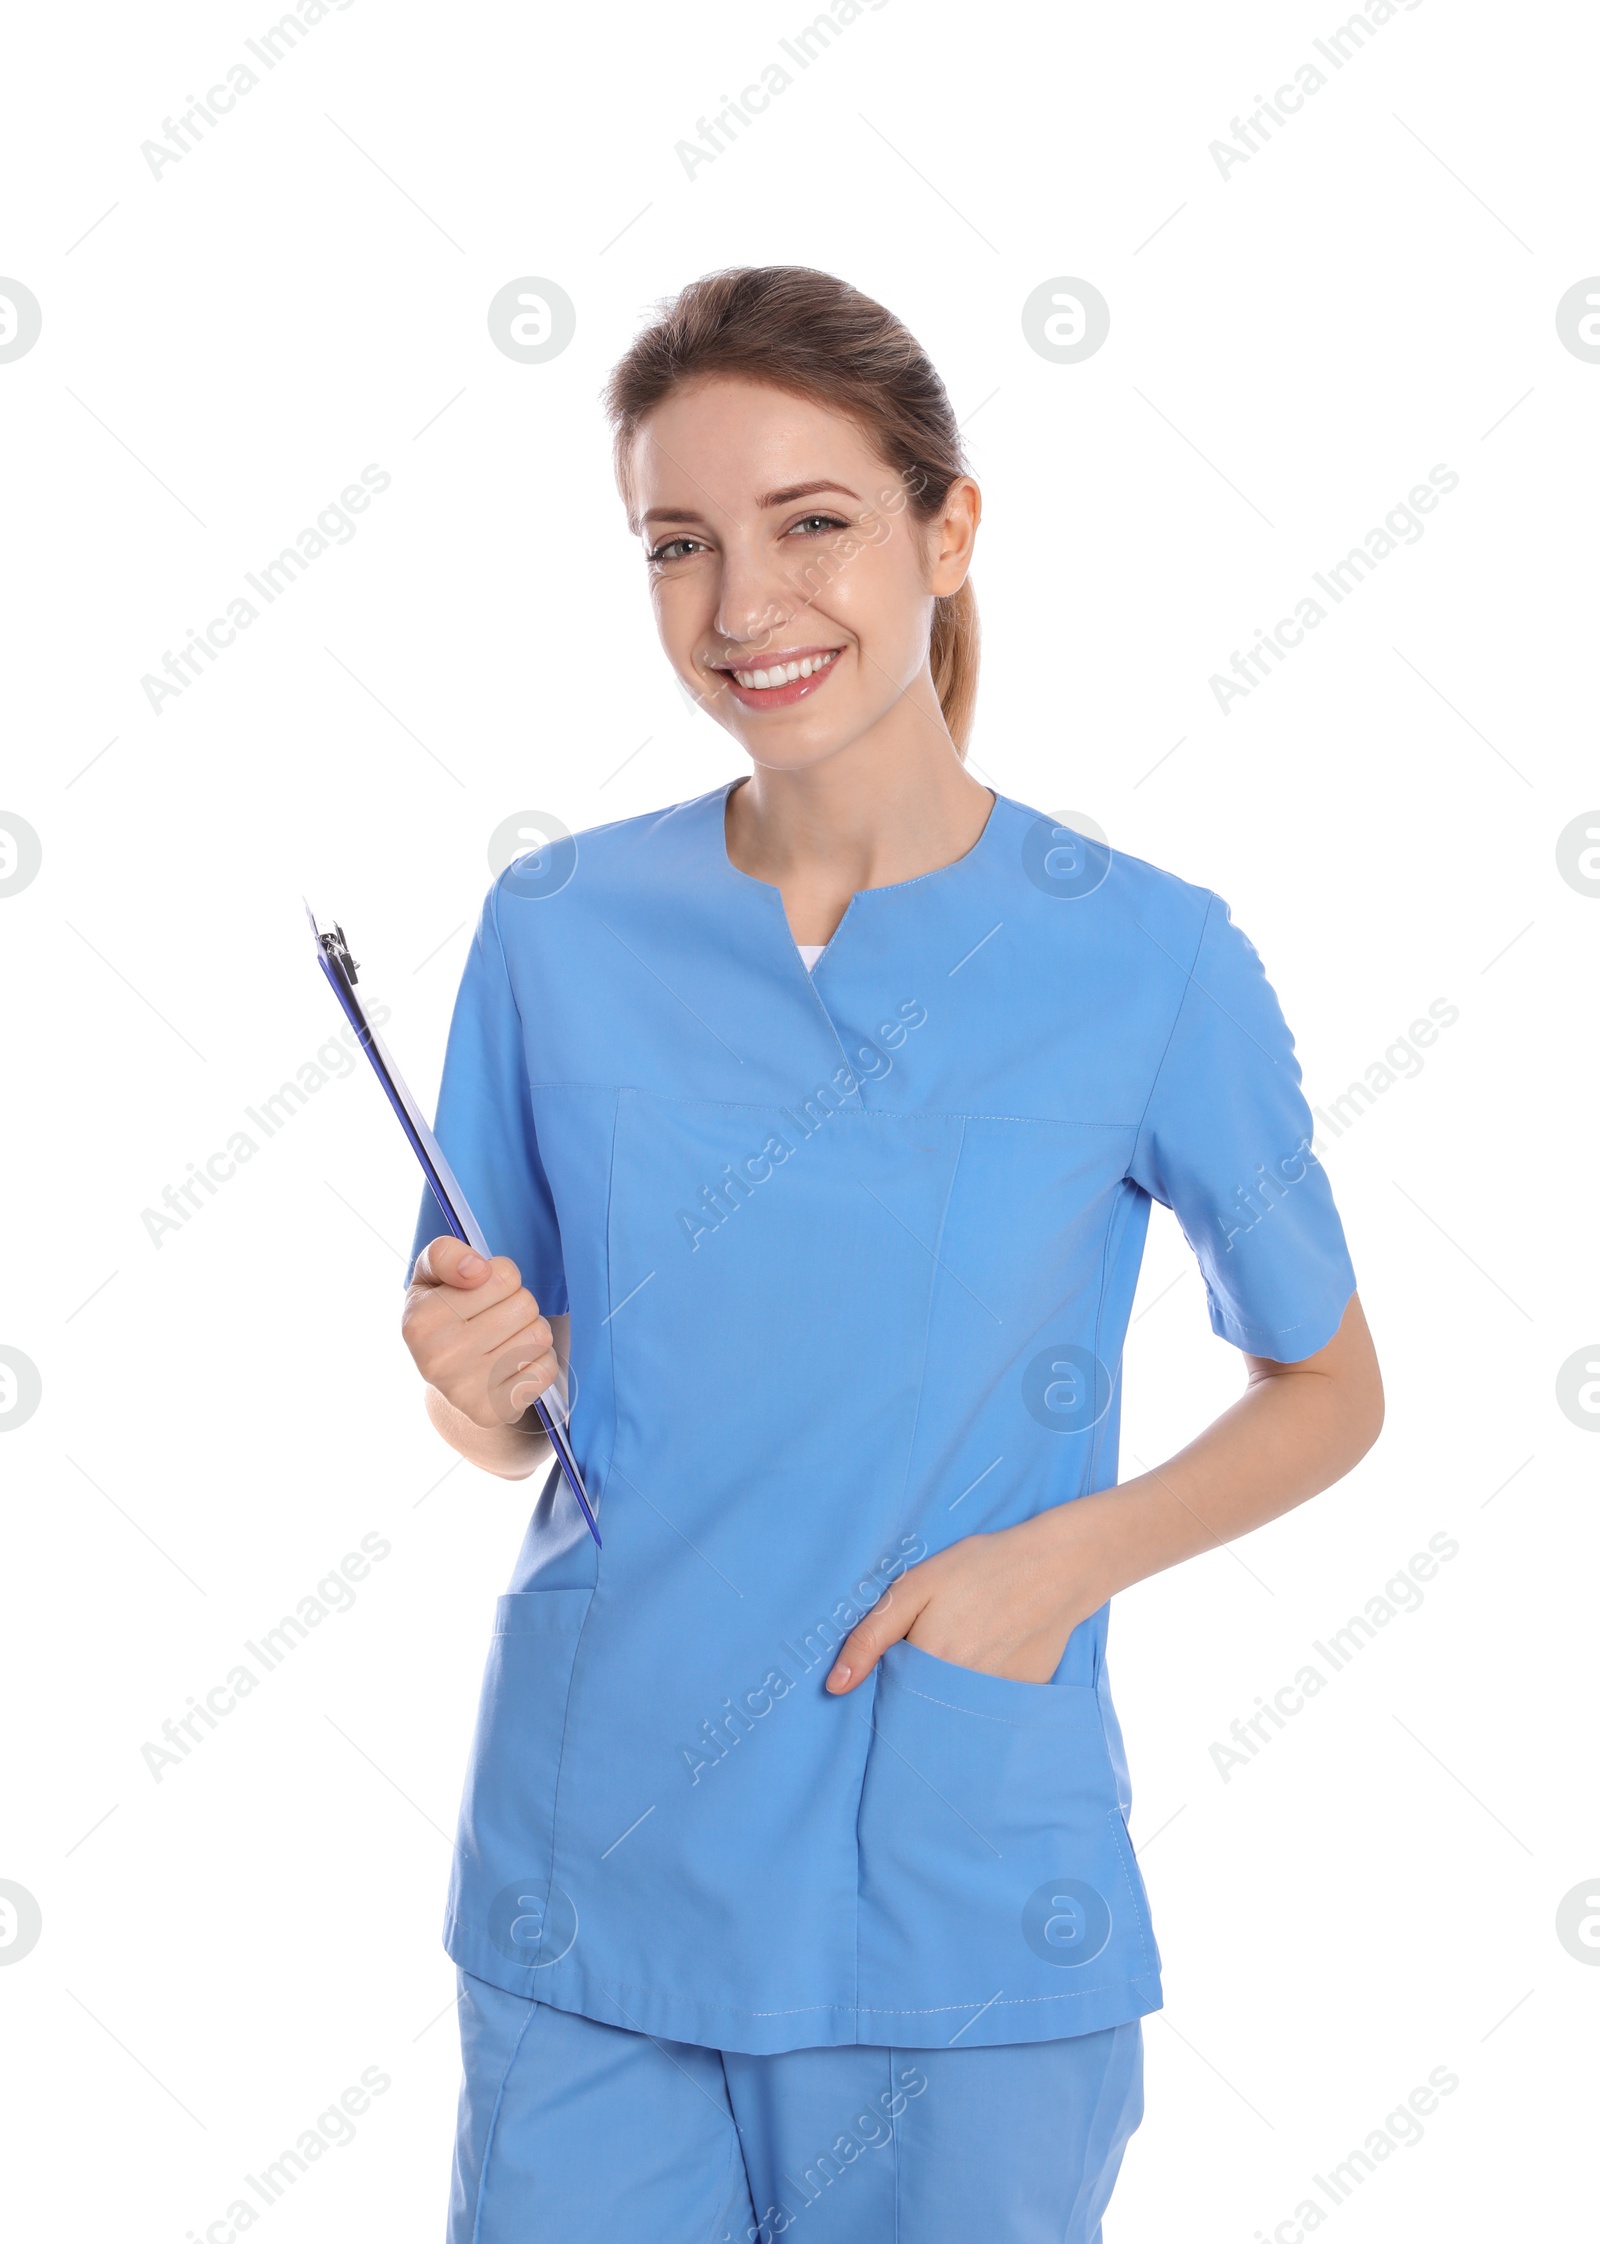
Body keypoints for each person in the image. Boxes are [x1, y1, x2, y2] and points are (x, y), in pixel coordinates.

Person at [400, 266, 1383, 2243]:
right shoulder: (557, 937)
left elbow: (1329, 1389)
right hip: (594, 1887)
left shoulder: (1141, 960)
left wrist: (1055, 1566)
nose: (741, 604)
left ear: (945, 530)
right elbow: (509, 1406)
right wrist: (478, 1390)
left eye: (811, 524)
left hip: (947, 1904)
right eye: (678, 546)